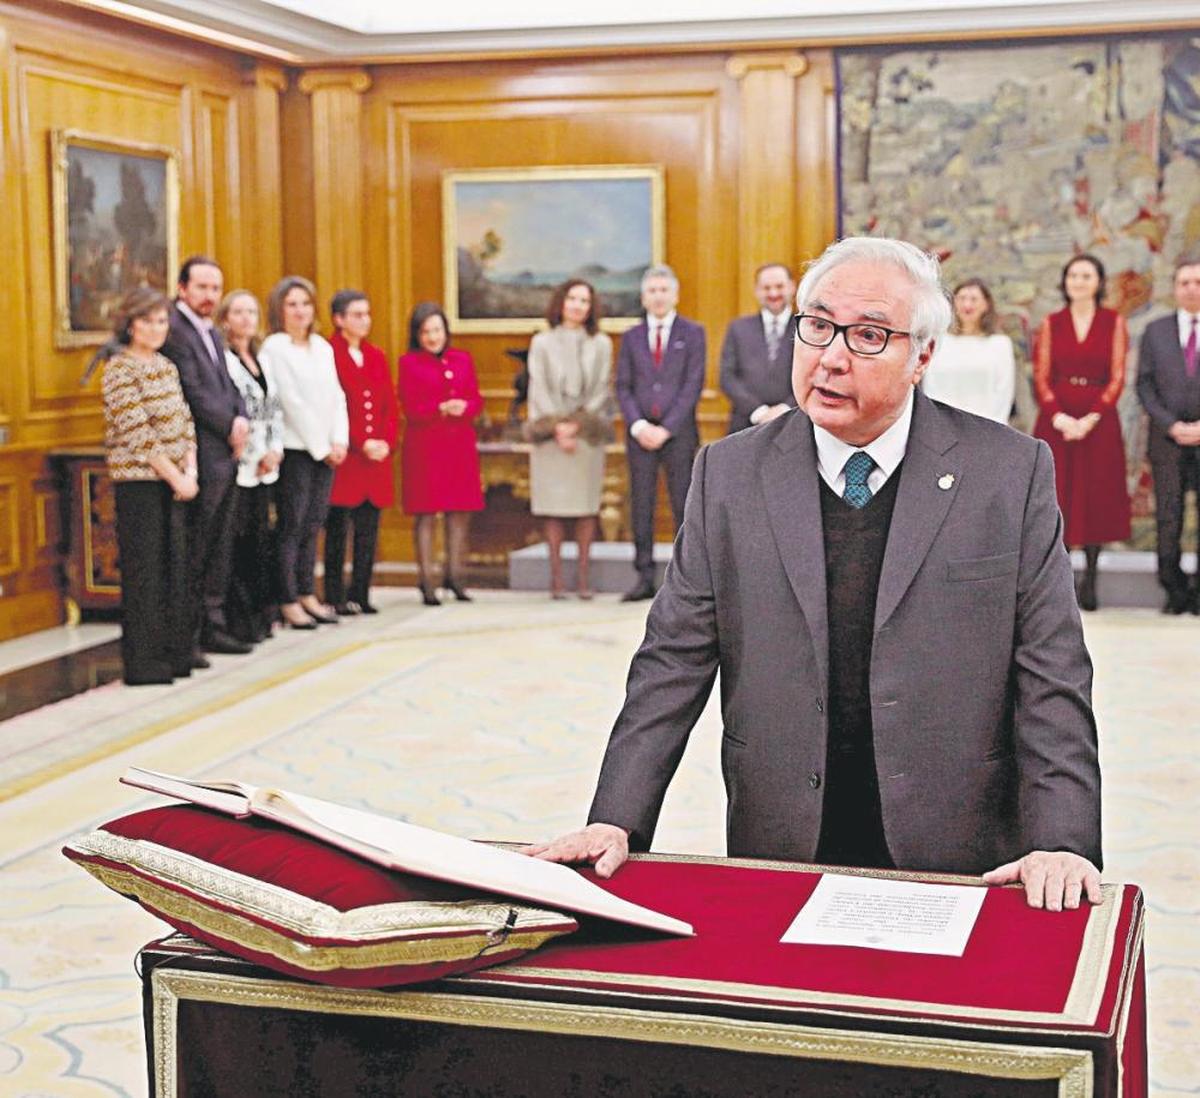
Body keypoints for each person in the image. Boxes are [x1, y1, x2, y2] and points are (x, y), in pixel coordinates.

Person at [528, 236, 1102, 913]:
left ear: (922, 356)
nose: (830, 356)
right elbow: (671, 661)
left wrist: (1065, 838)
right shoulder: (729, 475)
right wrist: (617, 815)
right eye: (819, 326)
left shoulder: (1007, 473)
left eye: (867, 335)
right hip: (783, 834)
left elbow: (1052, 670)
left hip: (957, 846)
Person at [100, 288, 197, 685]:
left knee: (176, 569)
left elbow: (185, 420)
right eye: (147, 321)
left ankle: (175, 654)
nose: (156, 329)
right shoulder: (119, 370)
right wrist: (174, 476)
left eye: (161, 321)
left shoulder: (166, 365)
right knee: (146, 573)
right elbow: (137, 432)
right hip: (140, 482)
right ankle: (144, 663)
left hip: (176, 481)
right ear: (129, 325)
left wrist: (190, 469)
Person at [161, 255, 252, 661]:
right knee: (196, 547)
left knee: (220, 546)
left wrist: (242, 419)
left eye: (215, 288)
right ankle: (190, 634)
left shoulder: (212, 333)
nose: (209, 296)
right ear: (182, 289)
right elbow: (193, 392)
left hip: (226, 453)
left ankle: (214, 625)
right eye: (201, 287)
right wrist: (229, 425)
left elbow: (228, 385)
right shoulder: (175, 331)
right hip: (199, 453)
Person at [1031, 255, 1132, 611]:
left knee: (1096, 494)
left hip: (1098, 422)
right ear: (1065, 281)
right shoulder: (1051, 322)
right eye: (1073, 275)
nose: (1079, 281)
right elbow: (1041, 375)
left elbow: (1118, 376)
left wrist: (1092, 417)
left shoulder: (1113, 322)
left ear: (1099, 282)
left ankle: (1091, 578)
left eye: (1086, 275)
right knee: (1057, 494)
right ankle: (1059, 581)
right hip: (1056, 419)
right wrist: (1057, 415)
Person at [259, 276, 348, 629]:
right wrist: (322, 447)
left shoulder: (323, 347)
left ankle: (308, 591)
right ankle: (288, 598)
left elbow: (337, 396)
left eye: (306, 304)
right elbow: (290, 402)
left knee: (314, 523)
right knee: (292, 524)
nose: (300, 311)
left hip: (326, 449)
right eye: (292, 304)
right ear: (280, 310)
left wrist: (339, 441)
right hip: (297, 449)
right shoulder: (274, 348)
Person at [615, 265, 706, 601]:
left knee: (684, 504)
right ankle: (643, 576)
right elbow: (622, 385)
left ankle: (685, 581)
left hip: (678, 435)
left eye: (663, 290)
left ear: (675, 295)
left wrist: (666, 428)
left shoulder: (693, 333)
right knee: (641, 505)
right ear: (643, 297)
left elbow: (692, 385)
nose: (658, 296)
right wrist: (639, 425)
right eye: (652, 291)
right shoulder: (631, 337)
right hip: (639, 436)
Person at [524, 280, 613, 599]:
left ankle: (584, 578)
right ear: (561, 302)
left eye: (584, 301)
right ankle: (557, 579)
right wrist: (557, 427)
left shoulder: (601, 343)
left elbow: (602, 389)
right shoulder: (542, 342)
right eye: (572, 299)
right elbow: (539, 387)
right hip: (550, 438)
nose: (577, 305)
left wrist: (576, 425)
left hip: (586, 436)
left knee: (586, 507)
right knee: (554, 508)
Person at [398, 303, 484, 605]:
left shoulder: (462, 359)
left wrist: (465, 407)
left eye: (437, 330)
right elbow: (410, 407)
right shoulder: (409, 363)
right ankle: (427, 581)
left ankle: (456, 576)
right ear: (417, 335)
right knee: (426, 513)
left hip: (459, 444)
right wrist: (439, 409)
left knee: (459, 511)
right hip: (425, 447)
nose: (433, 337)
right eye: (426, 332)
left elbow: (476, 399)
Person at [325, 290, 399, 615]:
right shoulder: (328, 353)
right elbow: (332, 406)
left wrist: (386, 441)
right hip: (348, 458)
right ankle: (335, 595)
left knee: (369, 531)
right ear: (339, 319)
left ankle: (362, 592)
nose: (364, 320)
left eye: (367, 314)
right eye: (356, 314)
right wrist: (359, 441)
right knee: (339, 532)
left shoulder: (376, 355)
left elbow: (388, 405)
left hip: (375, 461)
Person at [216, 289, 284, 643]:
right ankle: (239, 619)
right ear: (225, 319)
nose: (246, 319)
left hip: (266, 465)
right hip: (240, 466)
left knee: (262, 540)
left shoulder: (262, 358)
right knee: (238, 543)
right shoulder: (223, 360)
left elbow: (273, 409)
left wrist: (274, 450)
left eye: (251, 312)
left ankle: (262, 614)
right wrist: (251, 455)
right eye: (238, 312)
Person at [1136, 255, 1200, 614]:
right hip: (1167, 440)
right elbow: (1144, 385)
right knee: (1169, 515)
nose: (1192, 289)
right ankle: (1173, 590)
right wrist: (1171, 424)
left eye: (1198, 282)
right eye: (1185, 283)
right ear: (1175, 289)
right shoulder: (1156, 330)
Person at [922, 278, 1015, 424]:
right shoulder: (940, 341)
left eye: (974, 299)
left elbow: (1003, 393)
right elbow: (931, 388)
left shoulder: (1000, 344)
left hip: (986, 428)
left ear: (986, 304)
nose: (967, 304)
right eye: (962, 298)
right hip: (944, 426)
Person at [718, 262, 797, 434]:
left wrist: (785, 409)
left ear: (792, 287)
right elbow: (727, 377)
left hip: (794, 424)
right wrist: (759, 412)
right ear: (757, 291)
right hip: (744, 426)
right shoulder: (738, 329)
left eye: (779, 286)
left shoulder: (808, 328)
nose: (773, 293)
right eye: (766, 287)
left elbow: (814, 375)